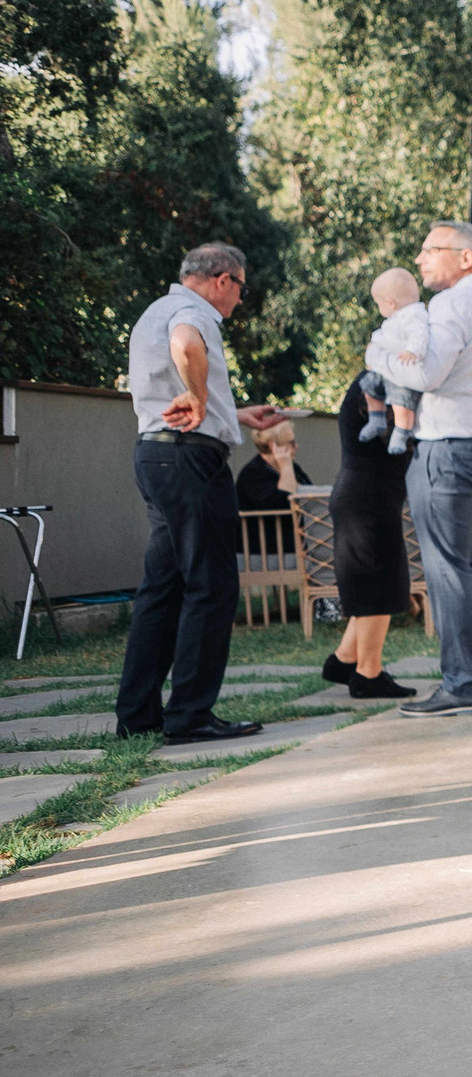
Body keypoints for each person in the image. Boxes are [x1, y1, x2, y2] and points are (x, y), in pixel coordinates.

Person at [114, 243, 285, 744]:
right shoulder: (194, 312)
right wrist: (201, 397)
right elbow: (186, 347)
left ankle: (137, 714)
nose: (238, 300)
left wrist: (231, 414)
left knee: (162, 588)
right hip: (190, 459)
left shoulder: (155, 310)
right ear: (222, 279)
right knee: (212, 586)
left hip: (157, 453)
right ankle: (189, 715)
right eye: (241, 288)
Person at [377, 219, 472, 718]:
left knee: (447, 570)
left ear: (467, 258)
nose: (419, 259)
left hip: (446, 449)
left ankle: (462, 684)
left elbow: (425, 372)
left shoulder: (449, 305)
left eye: (431, 250)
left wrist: (379, 356)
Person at [316, 372, 418, 701]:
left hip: (365, 492)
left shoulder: (372, 381)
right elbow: (397, 435)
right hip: (369, 496)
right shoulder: (377, 383)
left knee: (373, 578)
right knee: (379, 581)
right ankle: (368, 674)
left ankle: (345, 659)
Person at [356, 268, 430, 454]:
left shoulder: (414, 316)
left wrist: (412, 350)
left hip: (400, 372)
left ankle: (402, 432)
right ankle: (377, 419)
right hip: (383, 370)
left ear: (390, 302)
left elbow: (420, 335)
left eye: (378, 303)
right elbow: (381, 338)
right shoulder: (394, 318)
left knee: (402, 403)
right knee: (369, 388)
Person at [233, 421, 308, 556]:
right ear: (273, 446)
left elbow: (308, 492)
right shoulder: (253, 473)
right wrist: (285, 466)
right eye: (291, 443)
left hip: (293, 548)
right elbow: (284, 504)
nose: (296, 446)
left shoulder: (294, 468)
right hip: (264, 555)